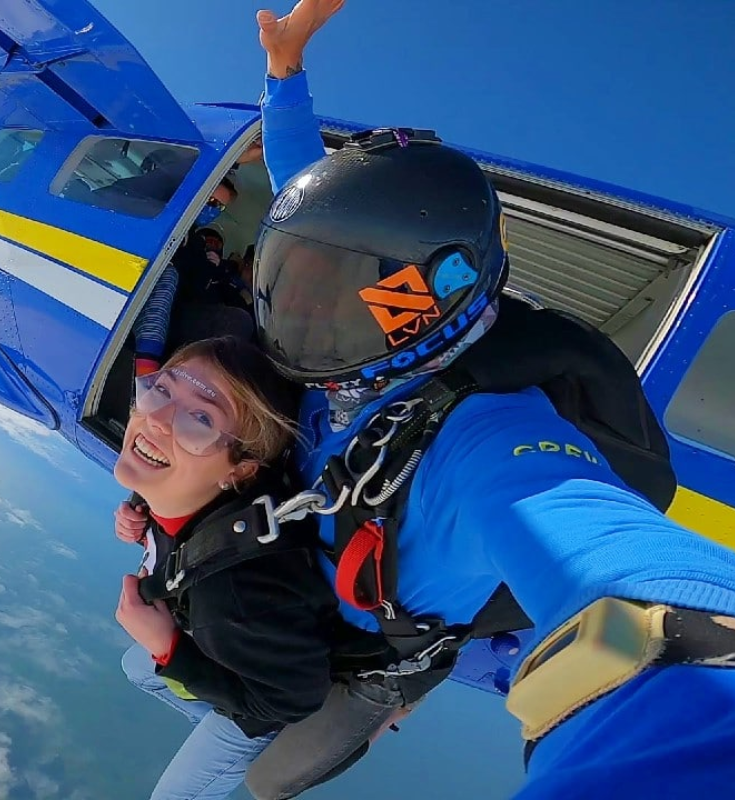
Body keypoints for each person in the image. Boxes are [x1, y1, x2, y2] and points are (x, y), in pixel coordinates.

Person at [242, 2, 735, 798]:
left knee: (256, 783)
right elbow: (301, 189)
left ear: (419, 299)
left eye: (330, 295)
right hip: (304, 580)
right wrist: (285, 75)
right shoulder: (375, 353)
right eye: (290, 281)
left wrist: (689, 659)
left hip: (369, 656)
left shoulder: (490, 430)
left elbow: (609, 553)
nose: (301, 312)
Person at [111, 336, 397, 800]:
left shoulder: (231, 603)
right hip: (250, 650)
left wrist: (169, 649)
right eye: (160, 390)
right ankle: (230, 731)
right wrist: (138, 504)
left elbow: (290, 699)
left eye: (201, 419)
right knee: (137, 668)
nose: (156, 419)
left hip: (272, 700)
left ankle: (249, 743)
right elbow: (176, 484)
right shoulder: (214, 492)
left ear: (241, 470)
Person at [132, 176, 253, 378]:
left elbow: (199, 289)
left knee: (238, 320)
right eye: (211, 201)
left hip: (183, 307)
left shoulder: (197, 246)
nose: (213, 210)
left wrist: (218, 272)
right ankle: (146, 372)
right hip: (147, 295)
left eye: (220, 208)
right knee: (168, 275)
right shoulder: (161, 219)